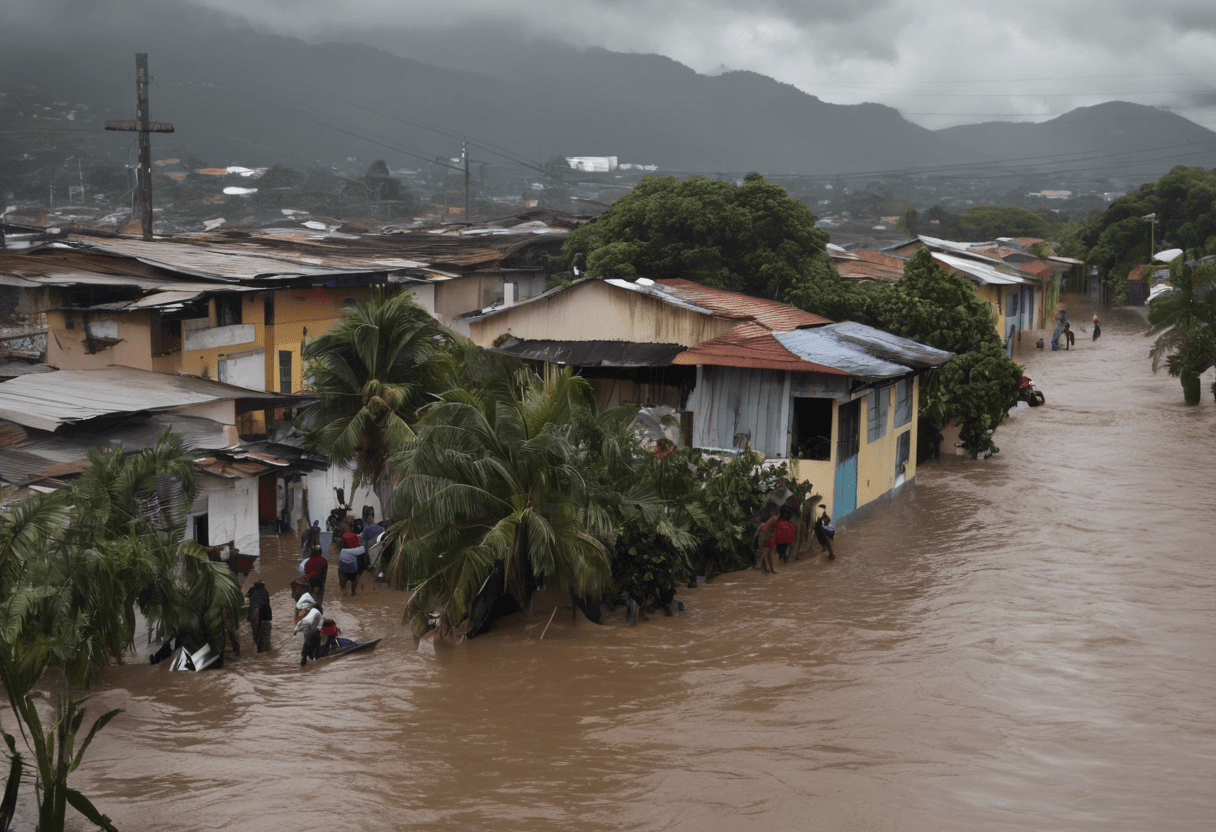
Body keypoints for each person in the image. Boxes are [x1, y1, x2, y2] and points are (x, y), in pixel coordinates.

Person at [246, 580, 273, 653]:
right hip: (265, 615)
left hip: (255, 612)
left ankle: (259, 652)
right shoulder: (265, 592)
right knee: (265, 636)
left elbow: (248, 597)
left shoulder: (252, 591)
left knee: (256, 636)